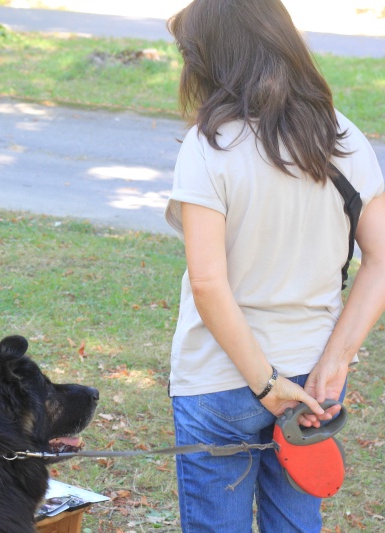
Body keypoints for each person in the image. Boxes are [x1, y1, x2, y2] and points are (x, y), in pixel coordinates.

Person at [163, 0, 385, 531]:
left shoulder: (209, 145)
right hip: (309, 379)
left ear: (216, 57)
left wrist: (264, 384)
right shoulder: (344, 138)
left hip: (218, 380)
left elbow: (208, 282)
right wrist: (336, 361)